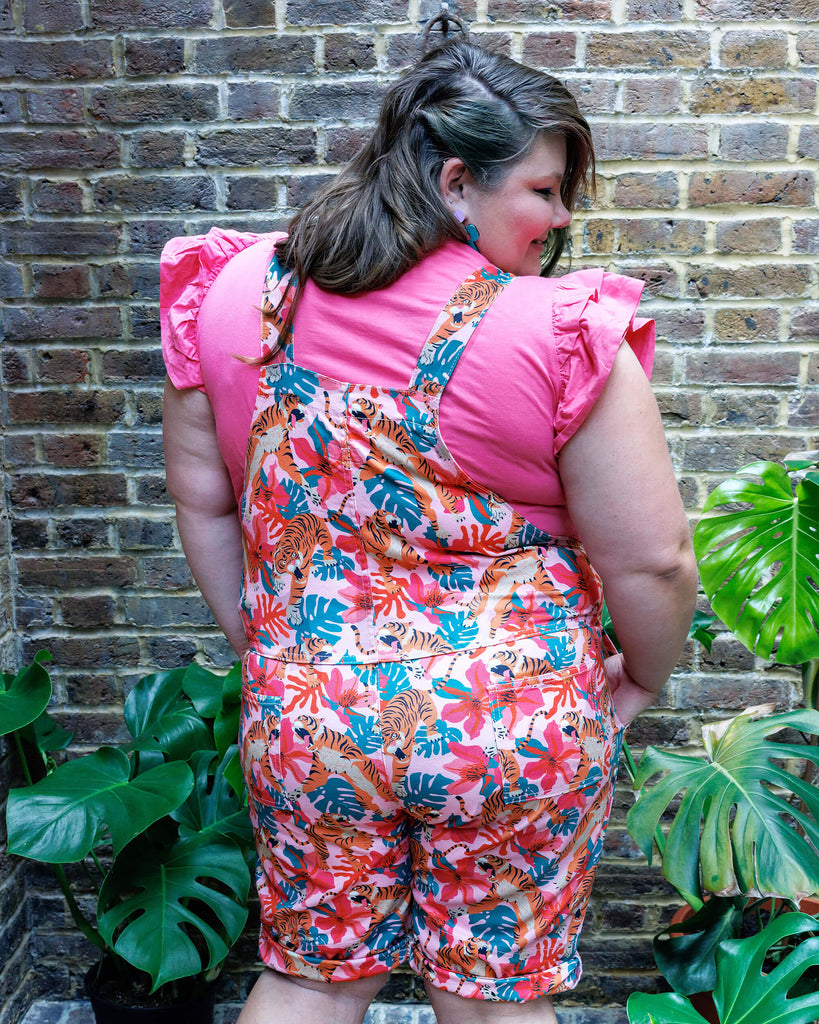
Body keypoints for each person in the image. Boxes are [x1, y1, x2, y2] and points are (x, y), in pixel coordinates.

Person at [161, 35, 698, 1024]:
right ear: (457, 182)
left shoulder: (234, 292)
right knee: (491, 999)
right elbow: (655, 560)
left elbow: (203, 500)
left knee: (313, 978)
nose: (560, 218)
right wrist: (643, 675)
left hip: (310, 711)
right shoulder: (559, 335)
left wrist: (272, 651)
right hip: (510, 724)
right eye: (543, 190)